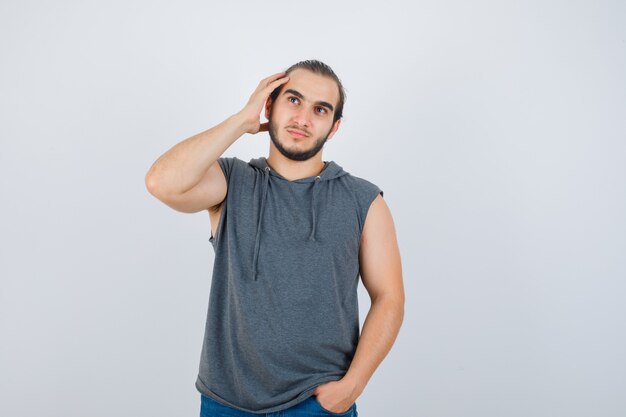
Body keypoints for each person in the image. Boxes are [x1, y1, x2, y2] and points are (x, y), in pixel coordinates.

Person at [145, 59, 404, 416]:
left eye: (320, 109)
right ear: (270, 106)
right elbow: (162, 182)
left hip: (318, 403)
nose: (303, 119)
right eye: (293, 100)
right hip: (226, 402)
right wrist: (241, 120)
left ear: (334, 127)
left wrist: (352, 386)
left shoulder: (363, 200)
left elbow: (389, 297)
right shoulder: (231, 182)